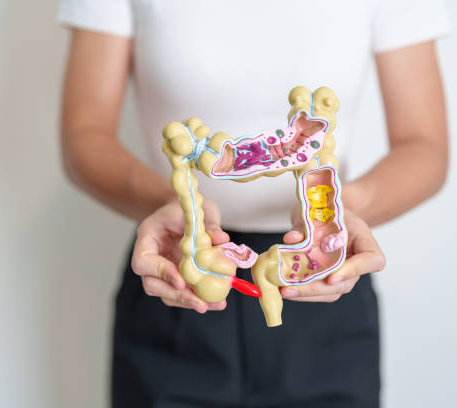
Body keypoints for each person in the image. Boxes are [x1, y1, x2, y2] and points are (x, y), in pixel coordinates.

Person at [57, 1, 450, 407]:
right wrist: (182, 206)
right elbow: (85, 136)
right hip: (181, 268)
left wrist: (334, 211)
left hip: (326, 285)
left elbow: (424, 147)